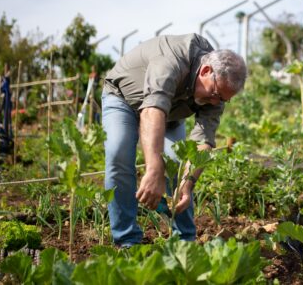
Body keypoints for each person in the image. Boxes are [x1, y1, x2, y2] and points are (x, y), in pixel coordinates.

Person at [101, 33, 246, 246]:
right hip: (123, 99)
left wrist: (187, 185)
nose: (216, 102)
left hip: (169, 113)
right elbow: (152, 111)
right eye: (215, 94)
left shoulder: (216, 94)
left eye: (222, 99)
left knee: (178, 163)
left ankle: (184, 242)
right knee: (119, 153)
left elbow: (202, 142)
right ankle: (127, 241)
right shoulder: (171, 59)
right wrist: (154, 170)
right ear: (205, 71)